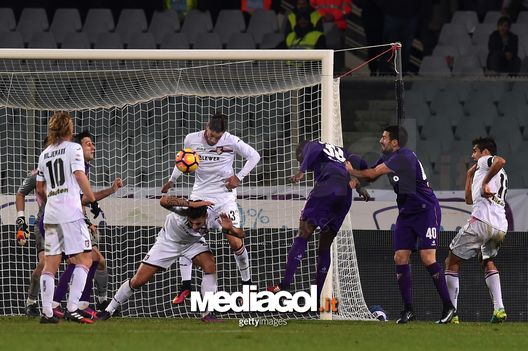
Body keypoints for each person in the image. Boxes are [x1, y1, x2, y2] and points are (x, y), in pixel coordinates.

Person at [345, 125, 456, 324]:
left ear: (395, 142)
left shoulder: (404, 156)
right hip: (406, 213)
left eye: (384, 137)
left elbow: (370, 174)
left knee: (427, 258)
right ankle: (408, 310)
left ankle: (449, 307)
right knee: (400, 257)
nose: (381, 140)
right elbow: (371, 175)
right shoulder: (388, 157)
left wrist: (350, 169)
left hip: (425, 210)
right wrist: (357, 184)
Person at [161, 112, 260, 304]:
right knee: (186, 236)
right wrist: (172, 180)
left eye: (218, 137)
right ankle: (185, 286)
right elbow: (183, 160)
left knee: (235, 240)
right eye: (211, 135)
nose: (213, 139)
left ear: (223, 133)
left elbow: (254, 156)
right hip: (199, 197)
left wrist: (238, 177)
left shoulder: (231, 141)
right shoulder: (191, 138)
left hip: (224, 199)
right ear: (206, 127)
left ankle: (247, 285)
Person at [97, 196, 240, 322]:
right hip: (167, 243)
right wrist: (191, 204)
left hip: (192, 244)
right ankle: (109, 310)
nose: (195, 226)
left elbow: (241, 234)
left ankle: (207, 313)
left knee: (210, 266)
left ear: (205, 217)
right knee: (138, 281)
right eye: (191, 223)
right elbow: (163, 200)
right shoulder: (182, 211)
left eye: (198, 224)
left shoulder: (214, 219)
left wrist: (231, 229)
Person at [267, 140, 370, 301]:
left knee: (304, 233)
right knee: (325, 245)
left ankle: (285, 283)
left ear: (302, 152)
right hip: (344, 196)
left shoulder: (313, 145)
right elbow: (359, 161)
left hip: (326, 189)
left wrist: (301, 171)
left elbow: (312, 149)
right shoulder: (342, 151)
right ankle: (315, 299)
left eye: (299, 159)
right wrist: (360, 186)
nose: (302, 162)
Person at [51, 131, 123, 319]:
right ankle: (62, 304)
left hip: (68, 217)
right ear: (77, 148)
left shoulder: (82, 166)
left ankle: (69, 303)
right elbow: (82, 199)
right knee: (80, 260)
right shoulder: (76, 165)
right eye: (88, 143)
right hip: (65, 217)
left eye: (93, 143)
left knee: (91, 259)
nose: (93, 147)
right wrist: (109, 191)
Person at [36, 112, 96, 324]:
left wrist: (53, 198)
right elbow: (80, 176)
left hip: (51, 213)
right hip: (70, 213)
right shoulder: (74, 148)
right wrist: (92, 200)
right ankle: (72, 308)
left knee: (50, 264)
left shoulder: (44, 154)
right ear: (69, 129)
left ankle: (47, 313)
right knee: (86, 259)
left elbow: (39, 188)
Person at [444, 137, 508, 324]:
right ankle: (499, 309)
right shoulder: (493, 172)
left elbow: (500, 160)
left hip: (482, 221)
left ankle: (451, 313)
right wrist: (469, 176)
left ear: (485, 152)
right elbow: (469, 200)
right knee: (486, 260)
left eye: (475, 151)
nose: (473, 155)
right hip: (500, 226)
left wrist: (485, 182)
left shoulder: (487, 161)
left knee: (451, 259)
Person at [15, 164, 46, 317]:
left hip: (67, 222)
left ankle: (82, 304)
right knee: (44, 263)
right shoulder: (38, 174)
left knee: (84, 261)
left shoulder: (69, 169)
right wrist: (21, 221)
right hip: (45, 223)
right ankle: (31, 302)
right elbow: (20, 193)